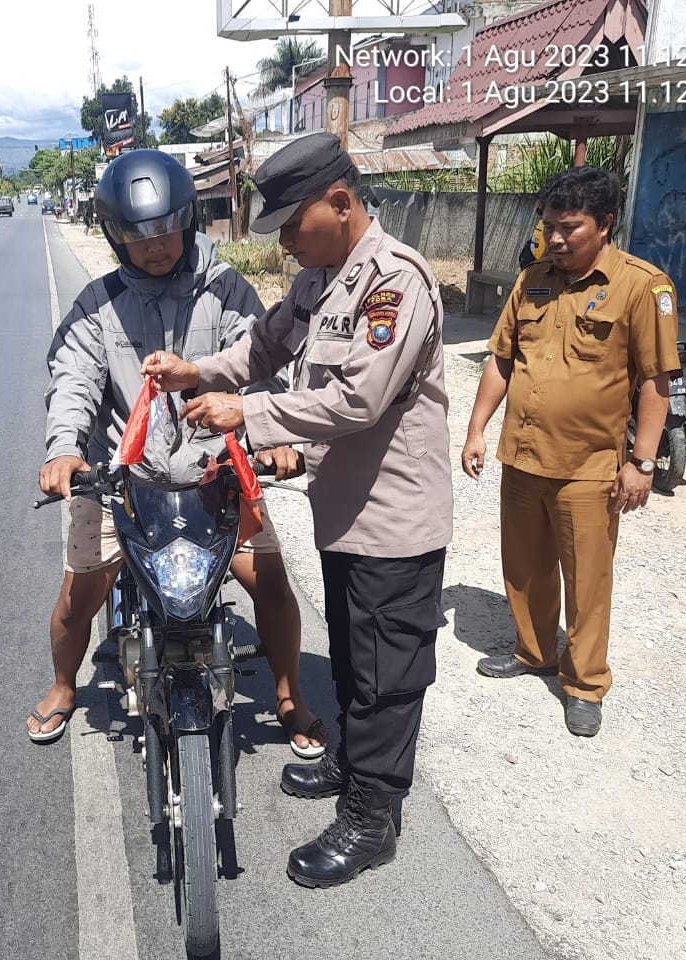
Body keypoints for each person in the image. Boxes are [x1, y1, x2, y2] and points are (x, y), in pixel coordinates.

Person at [142, 132, 452, 888]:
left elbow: (359, 398)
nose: (281, 242)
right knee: (352, 658)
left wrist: (245, 414)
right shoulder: (321, 277)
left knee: (388, 674)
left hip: (394, 517)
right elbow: (262, 349)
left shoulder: (394, 282)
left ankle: (372, 818)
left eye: (290, 223)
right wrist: (194, 371)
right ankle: (356, 770)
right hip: (344, 512)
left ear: (341, 203)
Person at [31, 148, 326, 760]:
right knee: (77, 597)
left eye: (166, 229)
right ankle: (63, 686)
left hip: (216, 475)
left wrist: (273, 438)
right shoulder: (95, 306)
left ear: (187, 221)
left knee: (270, 583)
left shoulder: (227, 292)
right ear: (115, 236)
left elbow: (262, 364)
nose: (156, 246)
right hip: (121, 481)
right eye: (139, 235)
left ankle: (290, 693)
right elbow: (74, 384)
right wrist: (64, 451)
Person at [460, 166, 681, 738]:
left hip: (589, 467)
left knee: (587, 579)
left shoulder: (642, 286)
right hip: (524, 455)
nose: (556, 240)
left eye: (570, 228)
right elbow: (502, 359)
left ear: (605, 224)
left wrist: (643, 462)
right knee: (526, 567)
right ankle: (533, 651)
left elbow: (658, 380)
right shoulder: (531, 280)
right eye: (549, 227)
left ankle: (584, 684)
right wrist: (477, 428)